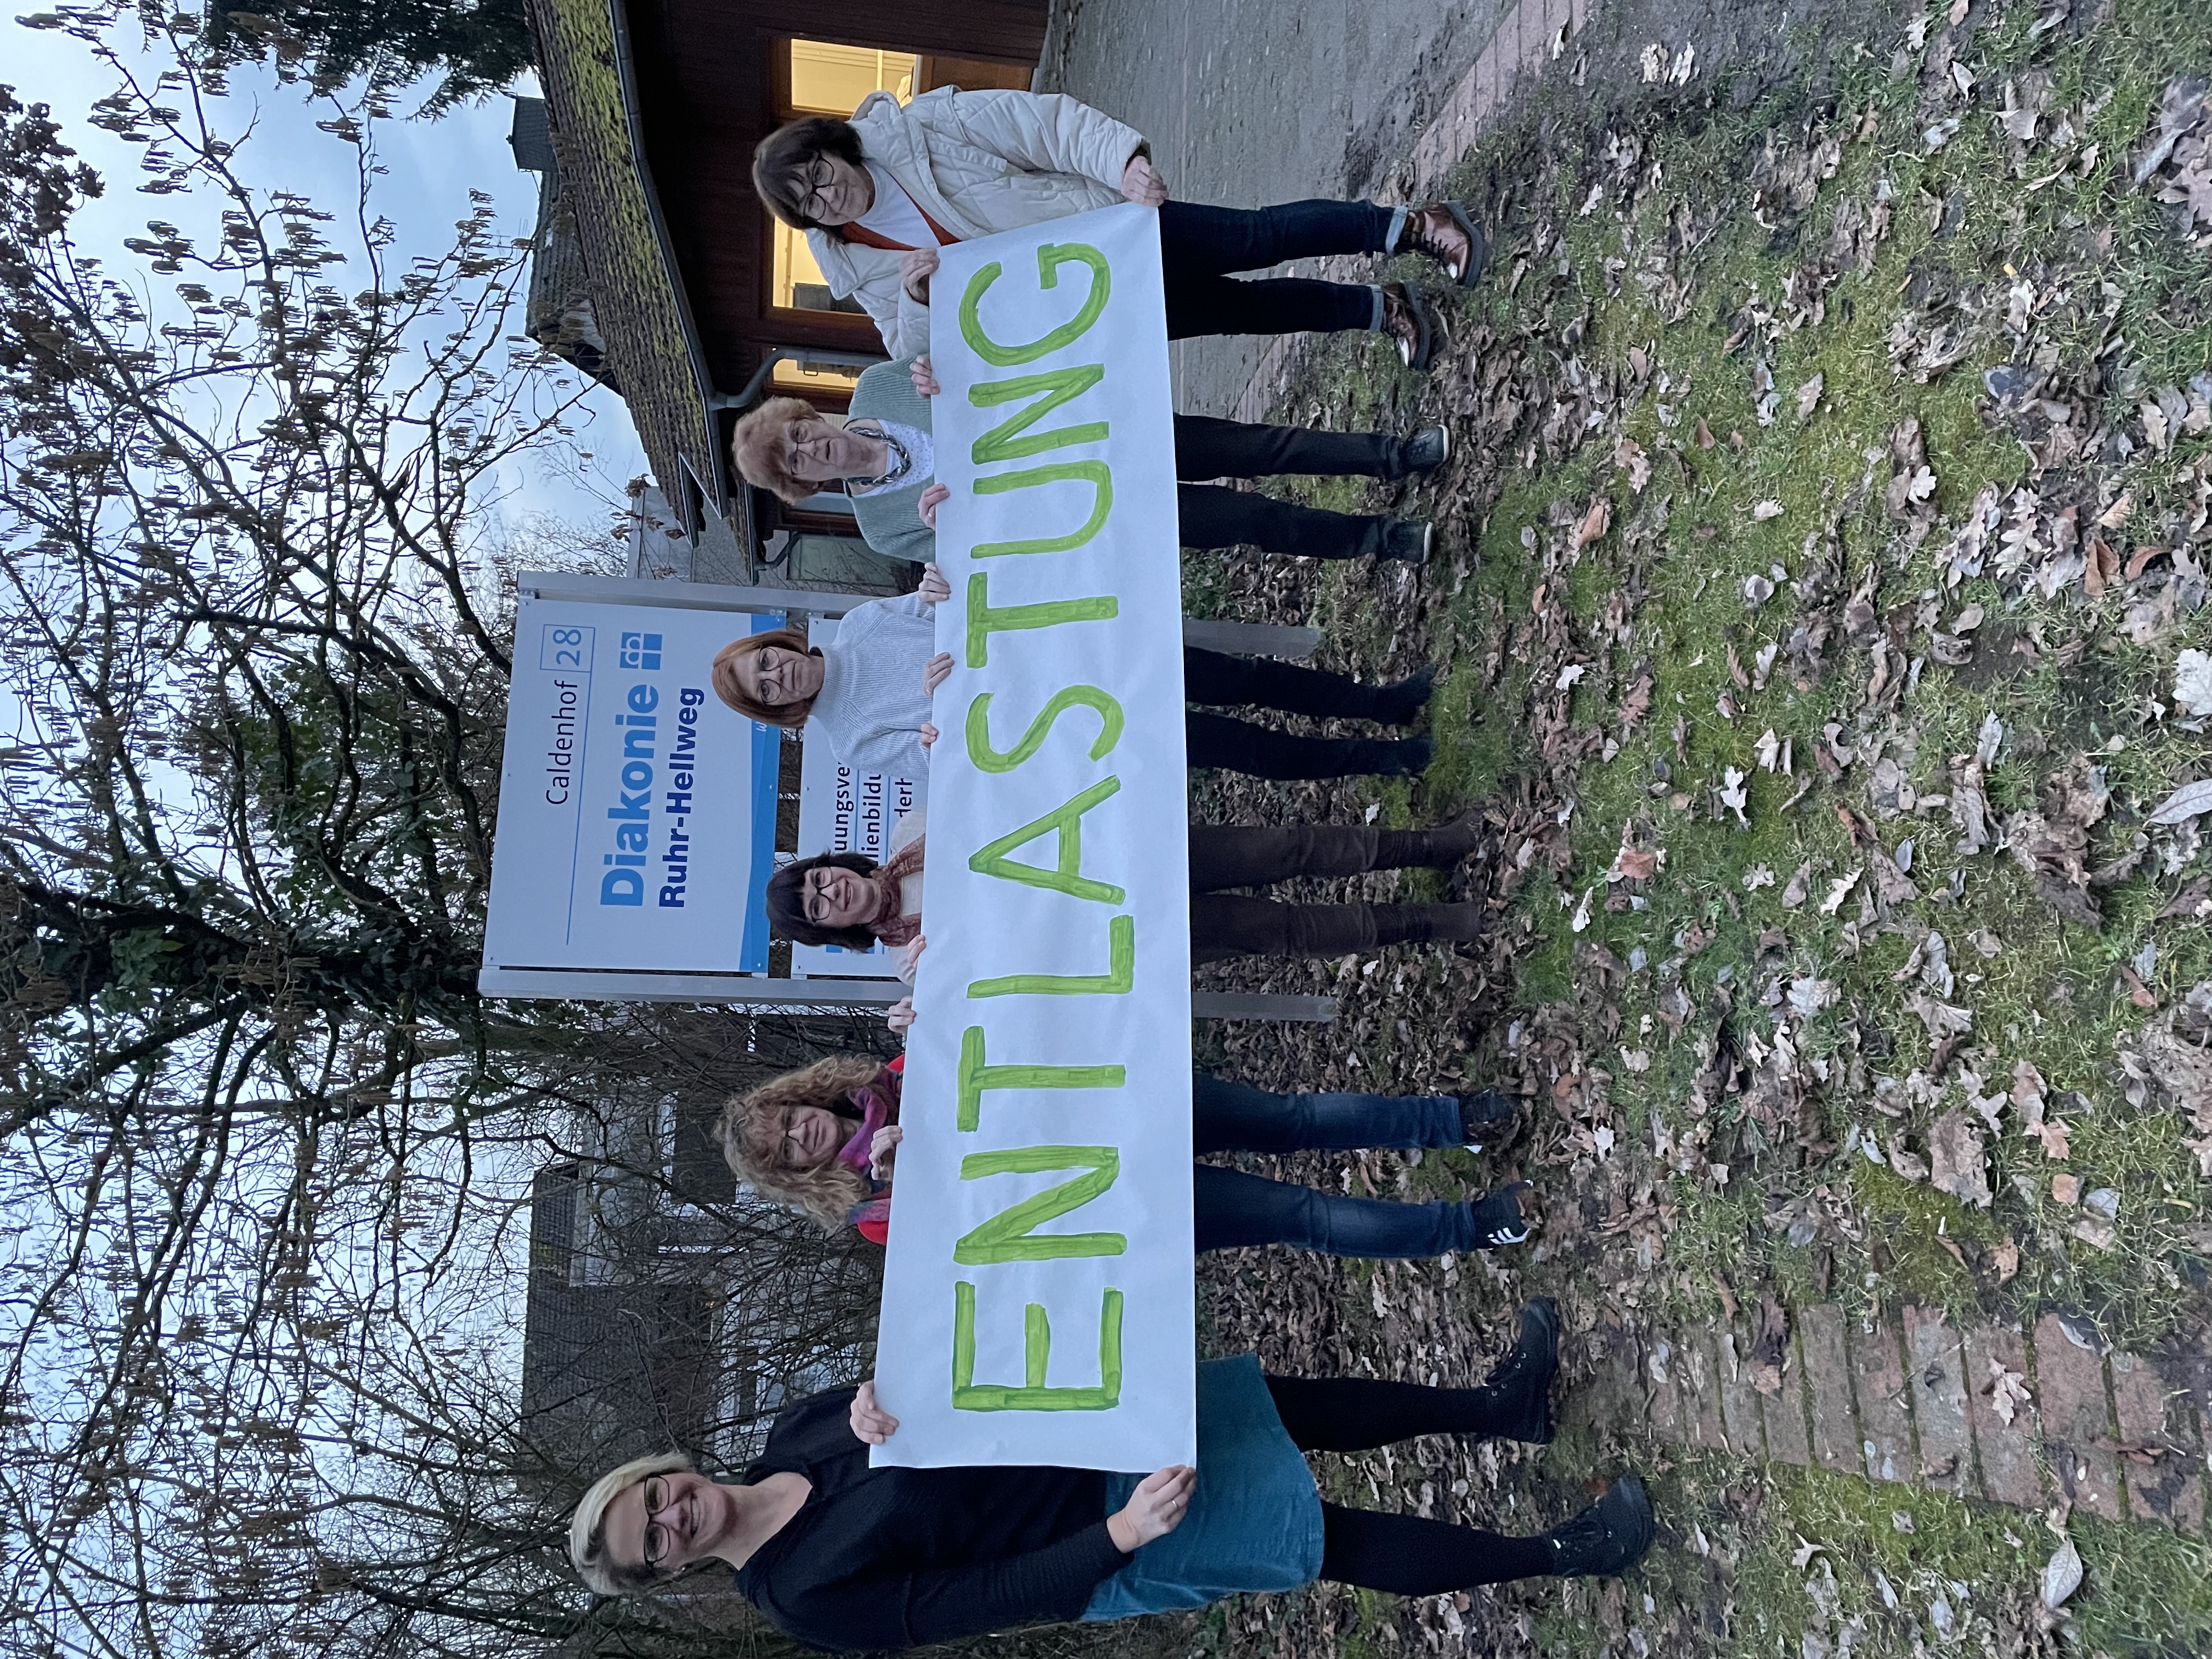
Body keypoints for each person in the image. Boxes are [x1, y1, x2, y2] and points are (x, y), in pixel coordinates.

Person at [566, 1302, 1656, 1650]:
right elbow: (974, 1604)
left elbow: (941, 1383)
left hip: (1088, 1428)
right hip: (1103, 1529)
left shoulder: (797, 1434)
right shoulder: (801, 1599)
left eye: (649, 1499)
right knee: (1329, 1538)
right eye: (651, 1543)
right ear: (668, 1573)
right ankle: (1564, 1554)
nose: (668, 1517)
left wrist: (869, 1400)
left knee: (1296, 1404)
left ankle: (1499, 1410)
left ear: (661, 1472)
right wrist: (1122, 1539)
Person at [751, 92, 1489, 371]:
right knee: (1240, 312)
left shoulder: (917, 131)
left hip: (1110, 228)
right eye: (810, 206)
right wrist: (915, 303)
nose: (828, 196)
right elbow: (904, 344)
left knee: (1257, 240)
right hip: (1086, 302)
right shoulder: (857, 265)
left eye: (818, 174)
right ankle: (1379, 310)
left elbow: (1040, 126)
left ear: (829, 147)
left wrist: (1123, 163)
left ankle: (1416, 227)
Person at [714, 1053, 1532, 1259]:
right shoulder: (867, 1214)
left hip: (1130, 1106)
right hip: (1116, 1200)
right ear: (793, 1177)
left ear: (803, 1099)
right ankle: (1468, 1228)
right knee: (1301, 1214)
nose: (801, 1136)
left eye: (790, 1119)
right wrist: (912, 1172)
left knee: (1294, 1117)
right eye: (786, 1150)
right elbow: (973, 1246)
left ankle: (1447, 1120)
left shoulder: (896, 1069)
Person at [712, 566, 1437, 786]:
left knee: (1241, 678)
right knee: (1237, 749)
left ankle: (1383, 704)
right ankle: (1384, 760)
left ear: (782, 643)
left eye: (768, 664)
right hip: (1068, 725)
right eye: (768, 691)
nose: (780, 679)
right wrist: (944, 711)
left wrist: (935, 584)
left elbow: (939, 595)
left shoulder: (862, 621)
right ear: (776, 710)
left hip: (1079, 655)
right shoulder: (850, 740)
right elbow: (942, 762)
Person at [731, 353, 1447, 567]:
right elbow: (991, 563)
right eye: (797, 463)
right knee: (1254, 521)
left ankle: (1395, 457)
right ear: (804, 484)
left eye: (797, 433)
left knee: (1262, 446)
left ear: (805, 415)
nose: (809, 449)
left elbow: (994, 342)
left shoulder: (885, 384)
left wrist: (943, 367)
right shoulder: (885, 527)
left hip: (1104, 431)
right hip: (1095, 507)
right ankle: (1385, 540)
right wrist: (953, 534)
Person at [767, 803, 1490, 963]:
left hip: (1127, 859)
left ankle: (1433, 843)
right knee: (1286, 932)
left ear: (830, 863)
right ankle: (1436, 923)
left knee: (1287, 848)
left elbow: (1008, 789)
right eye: (818, 910)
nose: (829, 894)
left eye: (818, 881)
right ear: (831, 932)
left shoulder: (913, 827)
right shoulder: (908, 966)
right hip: (1122, 937)